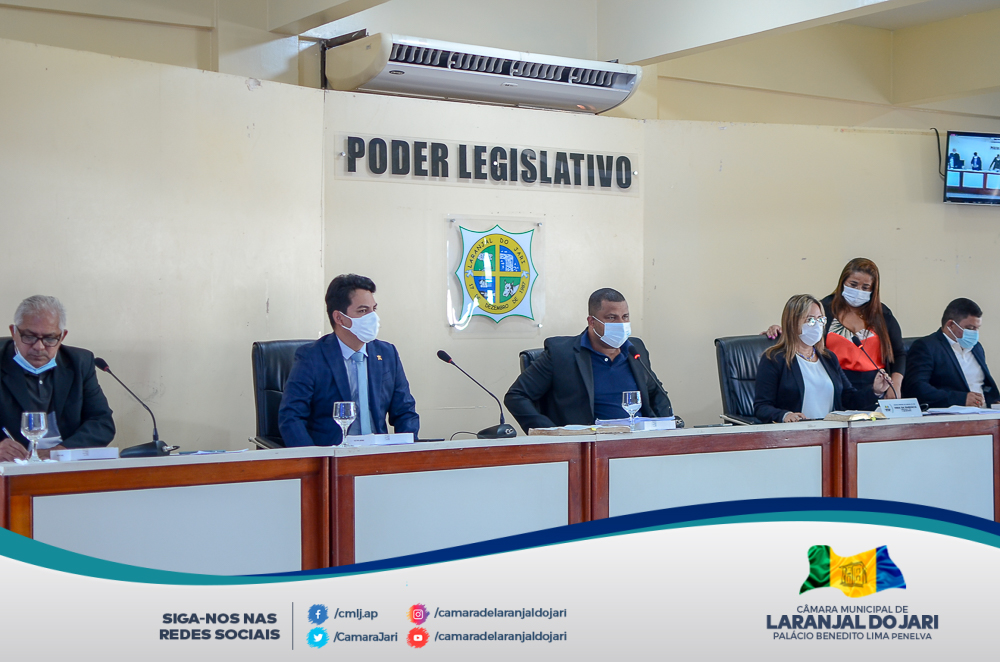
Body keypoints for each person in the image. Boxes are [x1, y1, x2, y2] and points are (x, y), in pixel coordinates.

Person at [504, 288, 672, 433]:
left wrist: (667, 429)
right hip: (588, 448)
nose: (621, 323)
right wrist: (552, 434)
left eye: (625, 316)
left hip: (638, 444)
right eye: (612, 317)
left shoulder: (635, 349)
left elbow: (656, 393)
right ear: (592, 321)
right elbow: (516, 396)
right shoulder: (560, 353)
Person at [278, 274, 419, 446]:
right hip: (333, 455)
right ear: (339, 318)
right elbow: (291, 417)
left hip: (378, 454)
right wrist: (313, 459)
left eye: (373, 309)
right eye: (363, 311)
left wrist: (407, 452)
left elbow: (405, 412)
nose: (372, 317)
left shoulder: (387, 353)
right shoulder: (311, 357)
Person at [764, 257, 905, 401]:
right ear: (843, 282)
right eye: (853, 284)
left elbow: (899, 353)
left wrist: (894, 386)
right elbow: (804, 330)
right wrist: (781, 329)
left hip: (877, 385)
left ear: (873, 289)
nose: (858, 291)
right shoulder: (825, 309)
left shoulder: (882, 314)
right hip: (837, 384)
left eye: (865, 287)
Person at [0, 295, 114, 462]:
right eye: (29, 337)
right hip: (11, 465)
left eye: (49, 338)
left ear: (62, 336)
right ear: (14, 332)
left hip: (63, 463)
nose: (39, 347)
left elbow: (102, 423)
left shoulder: (79, 363)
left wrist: (62, 451)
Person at [754, 294, 890, 423]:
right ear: (792, 323)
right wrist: (785, 415)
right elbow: (762, 407)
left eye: (820, 319)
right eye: (810, 320)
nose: (817, 325)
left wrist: (875, 391)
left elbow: (849, 399)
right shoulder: (774, 359)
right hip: (794, 432)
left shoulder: (828, 358)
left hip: (831, 432)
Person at [902, 298, 998, 408]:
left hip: (986, 412)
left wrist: (994, 401)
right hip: (953, 413)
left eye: (977, 328)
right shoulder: (926, 347)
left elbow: (985, 385)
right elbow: (916, 388)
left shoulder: (976, 347)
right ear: (951, 324)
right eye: (970, 328)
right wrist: (961, 399)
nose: (975, 333)